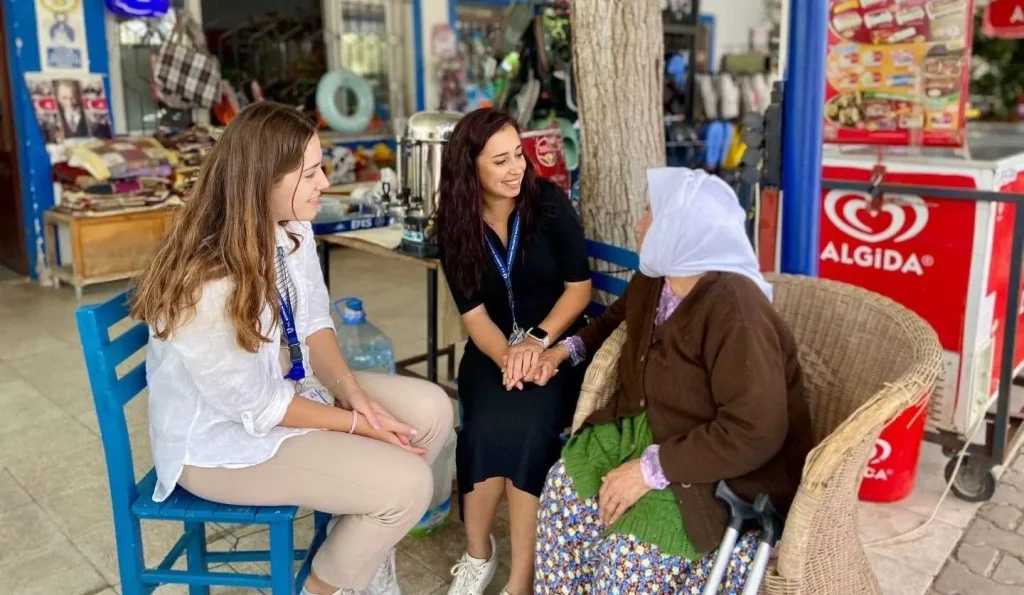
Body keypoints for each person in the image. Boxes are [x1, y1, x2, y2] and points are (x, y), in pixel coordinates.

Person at [131, 102, 454, 595]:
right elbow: (259, 408)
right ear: (262, 182)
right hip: (223, 444)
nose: (324, 184)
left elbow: (312, 321)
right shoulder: (208, 283)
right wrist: (354, 423)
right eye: (310, 174)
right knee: (410, 483)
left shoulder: (289, 226)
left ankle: (365, 544)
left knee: (432, 410)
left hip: (287, 388)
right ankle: (326, 585)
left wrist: (353, 394)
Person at [527, 167, 815, 594]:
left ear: (682, 231)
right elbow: (612, 321)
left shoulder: (736, 312)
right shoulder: (657, 276)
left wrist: (649, 471)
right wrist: (561, 353)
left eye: (650, 214)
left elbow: (757, 430)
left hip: (716, 466)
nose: (639, 224)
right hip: (647, 427)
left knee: (631, 556)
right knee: (563, 492)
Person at [434, 108, 592, 595]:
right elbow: (475, 316)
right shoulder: (455, 225)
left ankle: (522, 579)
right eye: (499, 160)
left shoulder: (547, 204)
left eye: (518, 155)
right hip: (494, 352)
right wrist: (510, 357)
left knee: (526, 430)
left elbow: (578, 290)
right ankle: (478, 553)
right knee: (483, 427)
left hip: (556, 344)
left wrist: (537, 343)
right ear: (469, 168)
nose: (516, 168)